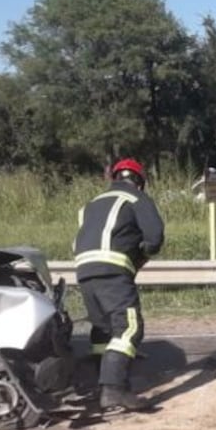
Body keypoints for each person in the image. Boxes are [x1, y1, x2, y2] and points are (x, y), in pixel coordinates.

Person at [73, 158, 164, 411]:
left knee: (104, 329)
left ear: (114, 178)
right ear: (139, 182)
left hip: (84, 271)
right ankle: (114, 390)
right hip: (112, 270)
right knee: (128, 328)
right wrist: (140, 256)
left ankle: (99, 384)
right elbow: (154, 237)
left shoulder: (91, 204)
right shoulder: (136, 198)